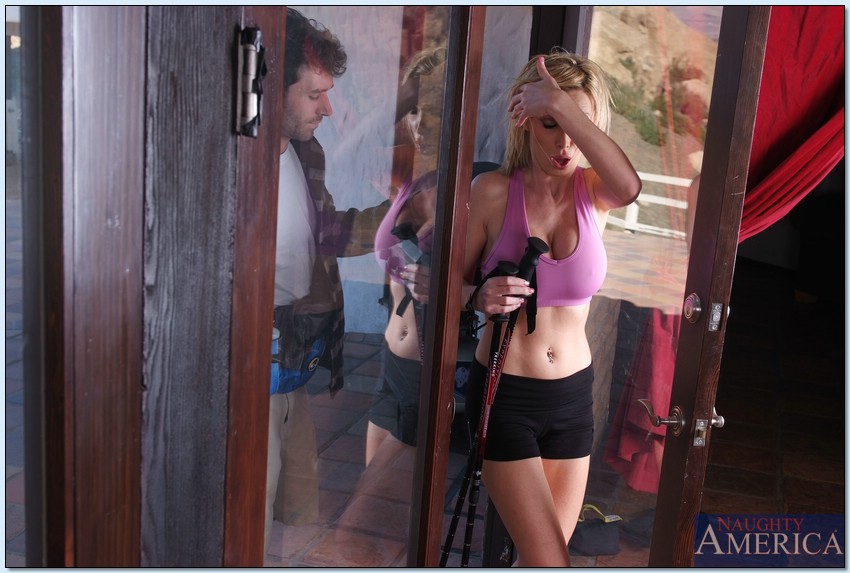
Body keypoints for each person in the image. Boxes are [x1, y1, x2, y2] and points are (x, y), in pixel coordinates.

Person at [461, 50, 642, 566]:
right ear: (525, 121)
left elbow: (631, 187)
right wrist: (477, 296)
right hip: (506, 396)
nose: (565, 143)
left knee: (540, 561)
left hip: (573, 400)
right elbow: (449, 284)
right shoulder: (492, 193)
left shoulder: (596, 192)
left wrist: (561, 106)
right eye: (549, 124)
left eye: (576, 124)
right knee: (549, 563)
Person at [265, 8, 391, 555]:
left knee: (287, 514)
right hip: (248, 371)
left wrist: (404, 216)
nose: (328, 108)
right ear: (272, 90)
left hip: (289, 364)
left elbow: (328, 233)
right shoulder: (234, 165)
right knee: (240, 520)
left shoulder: (302, 151)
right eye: (314, 94)